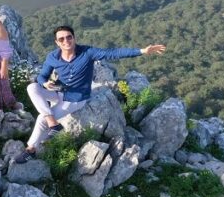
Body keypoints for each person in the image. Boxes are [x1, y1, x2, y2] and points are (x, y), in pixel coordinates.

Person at [14, 25, 165, 163]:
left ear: (74, 38)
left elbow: (112, 53)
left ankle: (30, 150)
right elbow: (42, 76)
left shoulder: (87, 52)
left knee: (41, 118)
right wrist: (45, 83)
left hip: (75, 98)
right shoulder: (53, 57)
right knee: (32, 87)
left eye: (69, 37)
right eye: (61, 39)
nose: (66, 41)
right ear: (57, 43)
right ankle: (53, 123)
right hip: (58, 91)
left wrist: (142, 51)